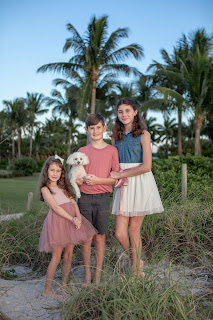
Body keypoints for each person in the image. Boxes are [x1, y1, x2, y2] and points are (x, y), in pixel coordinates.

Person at [110, 97, 164, 277]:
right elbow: (113, 165)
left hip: (140, 181)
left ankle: (136, 273)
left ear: (135, 112)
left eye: (127, 111)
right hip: (122, 184)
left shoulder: (143, 134)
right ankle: (137, 261)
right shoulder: (114, 137)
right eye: (120, 111)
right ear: (117, 115)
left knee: (134, 229)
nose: (124, 114)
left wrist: (121, 174)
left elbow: (147, 166)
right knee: (119, 233)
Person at [39, 155, 97, 297]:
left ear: (62, 173)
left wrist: (78, 217)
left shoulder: (64, 186)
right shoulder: (45, 189)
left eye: (58, 171)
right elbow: (56, 208)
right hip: (59, 222)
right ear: (46, 171)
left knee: (69, 255)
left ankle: (64, 284)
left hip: (72, 222)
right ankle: (47, 290)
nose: (54, 174)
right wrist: (72, 218)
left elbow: (73, 203)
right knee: (56, 256)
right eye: (52, 170)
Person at [77, 114, 120, 286]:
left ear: (104, 128)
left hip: (103, 199)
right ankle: (87, 276)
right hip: (84, 199)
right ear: (87, 130)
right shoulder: (82, 151)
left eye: (98, 127)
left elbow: (115, 179)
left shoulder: (112, 151)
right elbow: (76, 177)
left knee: (100, 237)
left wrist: (98, 181)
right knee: (86, 238)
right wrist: (80, 180)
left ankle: (98, 276)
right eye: (91, 128)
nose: (95, 131)